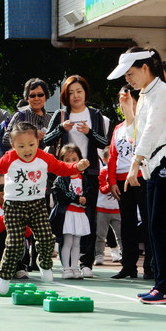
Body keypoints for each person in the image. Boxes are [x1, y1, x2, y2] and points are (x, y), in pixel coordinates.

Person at [108, 47, 166, 304]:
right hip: (155, 164)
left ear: (145, 67)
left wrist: (134, 164)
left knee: (160, 225)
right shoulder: (145, 93)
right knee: (156, 226)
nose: (128, 80)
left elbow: (153, 130)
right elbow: (137, 132)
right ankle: (162, 285)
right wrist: (129, 110)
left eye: (130, 73)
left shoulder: (162, 92)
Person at [0, 122, 89, 295]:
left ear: (38, 142)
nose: (27, 150)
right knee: (14, 244)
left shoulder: (44, 157)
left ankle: (44, 263)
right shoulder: (10, 158)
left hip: (37, 204)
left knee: (47, 238)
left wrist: (77, 167)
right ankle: (4, 276)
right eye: (21, 146)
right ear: (13, 146)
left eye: (31, 145)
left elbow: (61, 168)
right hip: (14, 206)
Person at [44, 75, 109, 278]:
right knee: (66, 217)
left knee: (88, 217)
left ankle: (86, 263)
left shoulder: (95, 114)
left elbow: (102, 141)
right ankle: (67, 266)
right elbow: (46, 138)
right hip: (65, 173)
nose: (75, 96)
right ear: (65, 95)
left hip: (88, 173)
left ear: (85, 93)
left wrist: (89, 132)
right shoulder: (62, 114)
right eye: (71, 92)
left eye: (79, 91)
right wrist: (61, 129)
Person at [107, 86, 151, 279]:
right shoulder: (117, 128)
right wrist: (112, 181)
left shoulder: (144, 124)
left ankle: (150, 266)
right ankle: (129, 266)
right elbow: (112, 156)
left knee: (149, 222)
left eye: (128, 99)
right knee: (127, 224)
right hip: (122, 181)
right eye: (121, 100)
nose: (124, 103)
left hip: (142, 177)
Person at [50, 144, 92, 279]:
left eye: (74, 159)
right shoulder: (61, 178)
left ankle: (75, 267)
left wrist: (85, 198)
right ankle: (66, 269)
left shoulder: (83, 178)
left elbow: (88, 192)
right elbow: (60, 195)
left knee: (76, 243)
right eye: (67, 160)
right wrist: (77, 198)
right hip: (67, 213)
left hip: (79, 214)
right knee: (67, 242)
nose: (71, 163)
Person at [0, 174, 30, 277]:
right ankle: (0, 264)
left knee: (16, 233)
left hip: (17, 244)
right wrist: (6, 217)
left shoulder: (22, 202)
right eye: (1, 187)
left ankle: (19, 266)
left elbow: (29, 232)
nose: (5, 191)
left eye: (9, 186)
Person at [1, 78, 53, 150]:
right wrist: (32, 134)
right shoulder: (20, 116)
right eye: (32, 95)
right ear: (27, 98)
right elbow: (6, 139)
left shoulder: (50, 119)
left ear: (45, 96)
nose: (36, 98)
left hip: (44, 160)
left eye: (40, 95)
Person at [94, 159, 122, 266]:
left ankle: (123, 254)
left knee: (120, 235)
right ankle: (99, 255)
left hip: (117, 209)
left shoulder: (119, 171)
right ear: (105, 159)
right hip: (102, 208)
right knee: (100, 234)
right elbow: (102, 189)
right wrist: (111, 184)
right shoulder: (103, 171)